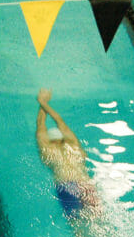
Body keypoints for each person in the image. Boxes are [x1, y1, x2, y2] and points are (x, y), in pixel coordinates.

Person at [36, 88, 98, 219]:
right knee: (98, 218)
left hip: (66, 185)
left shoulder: (48, 150)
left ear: (49, 140)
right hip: (85, 184)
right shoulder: (73, 144)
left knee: (76, 225)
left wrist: (41, 102)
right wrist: (45, 103)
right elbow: (60, 121)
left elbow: (40, 125)